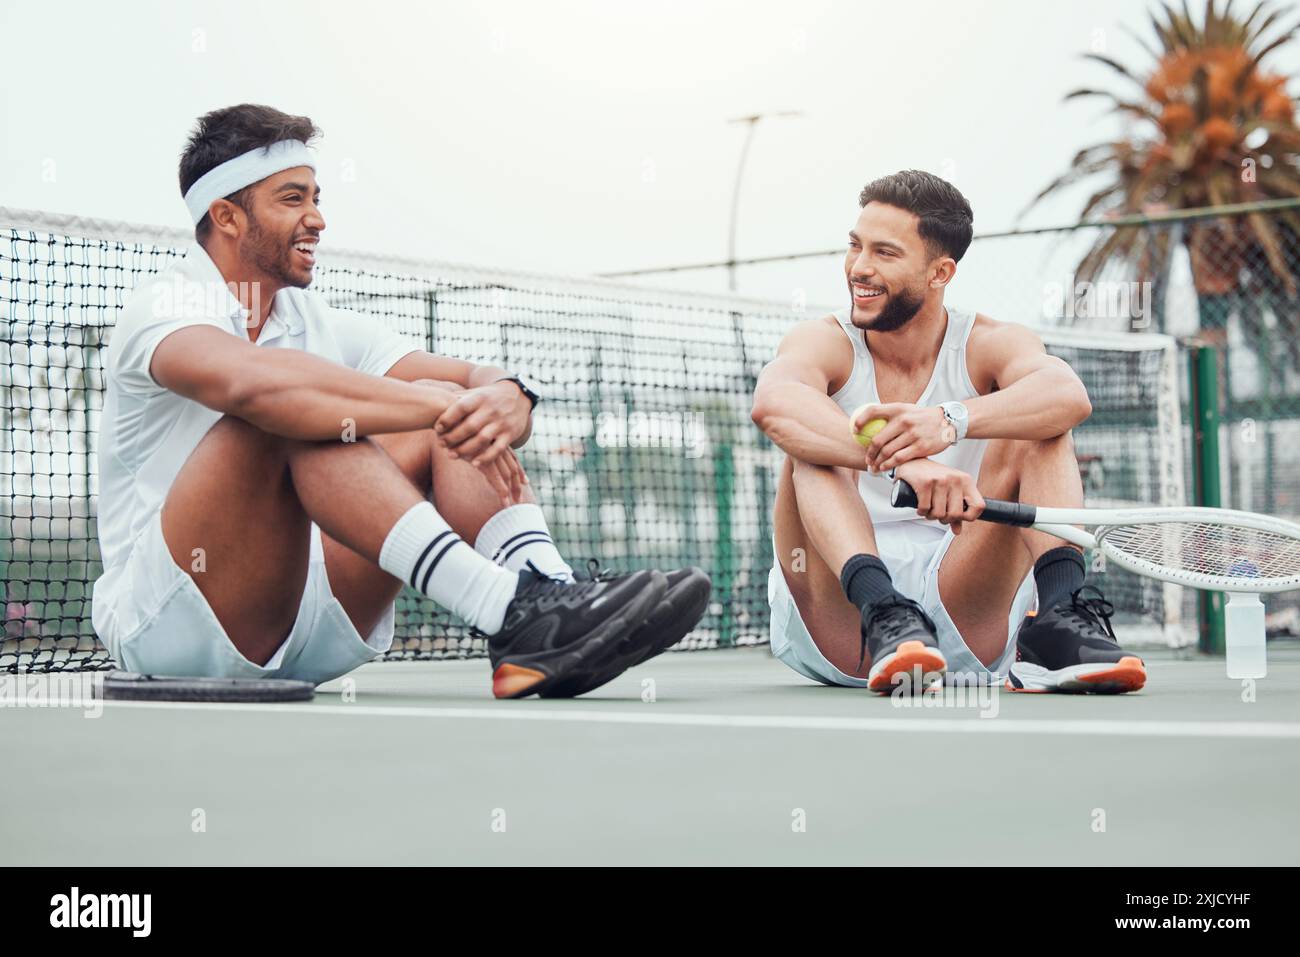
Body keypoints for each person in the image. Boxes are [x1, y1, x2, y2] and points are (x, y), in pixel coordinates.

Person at [90, 103, 710, 699]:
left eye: (315, 197)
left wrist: (508, 395)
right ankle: (504, 607)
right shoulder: (164, 307)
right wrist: (436, 405)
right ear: (226, 217)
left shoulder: (316, 320)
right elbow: (257, 387)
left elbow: (473, 378)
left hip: (313, 624)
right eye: (291, 199)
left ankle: (544, 599)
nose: (317, 219)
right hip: (175, 623)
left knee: (431, 399)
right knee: (289, 411)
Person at [750, 170, 1145, 694]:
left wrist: (947, 422)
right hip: (849, 620)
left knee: (1044, 427)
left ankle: (1058, 621)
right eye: (855, 246)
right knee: (809, 442)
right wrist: (901, 458)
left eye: (885, 253)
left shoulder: (989, 341)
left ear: (940, 273)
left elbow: (1067, 395)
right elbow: (775, 405)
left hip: (963, 598)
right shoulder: (824, 342)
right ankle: (886, 607)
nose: (859, 268)